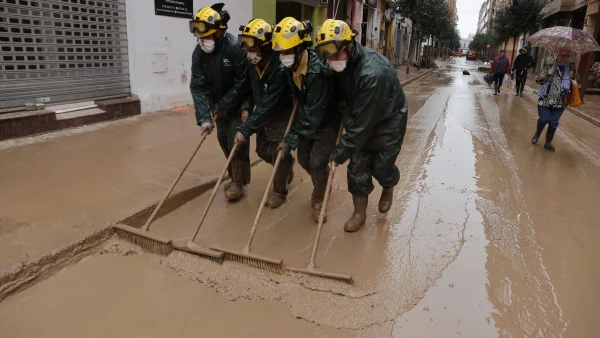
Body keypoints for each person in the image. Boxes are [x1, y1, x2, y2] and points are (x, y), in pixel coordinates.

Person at [315, 20, 408, 232]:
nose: (330, 60)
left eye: (333, 54)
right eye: (325, 54)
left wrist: (338, 153)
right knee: (357, 167)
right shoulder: (339, 63)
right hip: (358, 118)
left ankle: (389, 184)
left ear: (348, 47)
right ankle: (359, 212)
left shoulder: (373, 73)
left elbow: (362, 126)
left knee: (381, 167)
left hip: (388, 123)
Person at [272, 17, 341, 223]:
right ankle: (324, 182)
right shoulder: (290, 66)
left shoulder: (317, 71)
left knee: (317, 163)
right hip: (306, 120)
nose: (283, 56)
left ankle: (318, 200)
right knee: (303, 160)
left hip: (325, 122)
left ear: (301, 48)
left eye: (287, 51)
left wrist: (289, 140)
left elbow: (314, 116)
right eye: (281, 52)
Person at [189, 3, 251, 201]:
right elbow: (198, 85)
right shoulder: (199, 53)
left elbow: (243, 82)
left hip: (239, 104)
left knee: (237, 142)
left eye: (206, 36)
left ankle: (239, 183)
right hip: (219, 107)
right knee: (224, 141)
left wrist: (227, 105)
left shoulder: (234, 48)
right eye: (199, 36)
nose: (202, 41)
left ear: (219, 33)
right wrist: (204, 117)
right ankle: (234, 176)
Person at [233, 19, 295, 208]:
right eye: (246, 45)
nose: (248, 51)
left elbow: (271, 102)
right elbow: (247, 88)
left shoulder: (278, 67)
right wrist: (245, 107)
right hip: (261, 112)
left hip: (281, 112)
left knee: (279, 154)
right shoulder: (253, 63)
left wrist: (246, 129)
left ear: (265, 46)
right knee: (262, 150)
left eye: (252, 46)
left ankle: (280, 191)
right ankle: (286, 166)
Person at [531, 48, 576, 152]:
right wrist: (548, 74)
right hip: (545, 99)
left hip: (561, 101)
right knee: (543, 119)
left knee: (554, 122)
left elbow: (574, 83)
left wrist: (573, 77)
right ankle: (537, 134)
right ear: (557, 55)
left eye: (566, 56)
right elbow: (538, 80)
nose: (564, 58)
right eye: (561, 55)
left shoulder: (570, 68)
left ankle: (548, 142)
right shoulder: (549, 66)